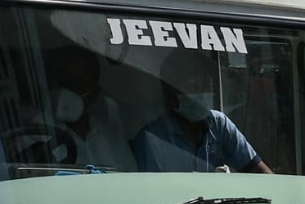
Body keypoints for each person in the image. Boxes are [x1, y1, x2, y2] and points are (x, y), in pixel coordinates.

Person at [132, 49, 273, 173]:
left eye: (206, 85)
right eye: (193, 87)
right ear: (170, 93)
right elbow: (152, 196)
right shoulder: (151, 138)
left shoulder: (219, 124)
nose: (202, 93)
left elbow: (260, 171)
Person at [45, 45, 136, 170]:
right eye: (61, 81)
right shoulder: (35, 136)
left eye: (75, 84)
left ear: (94, 93)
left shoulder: (110, 137)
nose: (64, 91)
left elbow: (131, 179)